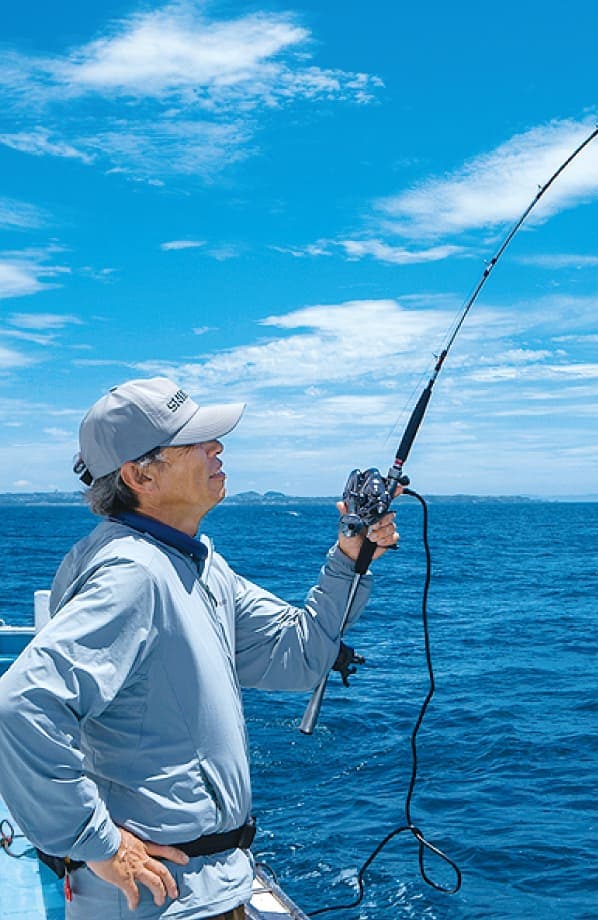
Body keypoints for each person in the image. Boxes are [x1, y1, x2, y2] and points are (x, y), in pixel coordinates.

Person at [0, 377, 399, 919]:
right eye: (196, 442)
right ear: (140, 475)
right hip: (159, 900)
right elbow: (21, 706)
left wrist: (350, 554)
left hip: (209, 888)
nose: (218, 448)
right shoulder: (134, 574)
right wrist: (99, 844)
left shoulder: (195, 563)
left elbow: (297, 652)